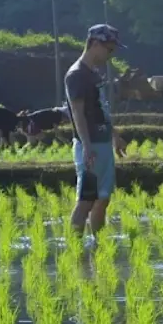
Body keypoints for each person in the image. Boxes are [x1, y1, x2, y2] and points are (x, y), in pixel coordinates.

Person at [65, 24, 128, 235]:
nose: (110, 55)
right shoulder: (76, 75)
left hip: (102, 144)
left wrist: (114, 135)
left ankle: (99, 247)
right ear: (94, 43)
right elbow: (78, 113)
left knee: (103, 199)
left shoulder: (93, 74)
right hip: (90, 146)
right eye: (109, 49)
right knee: (86, 200)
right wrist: (87, 146)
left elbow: (101, 109)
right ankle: (75, 248)